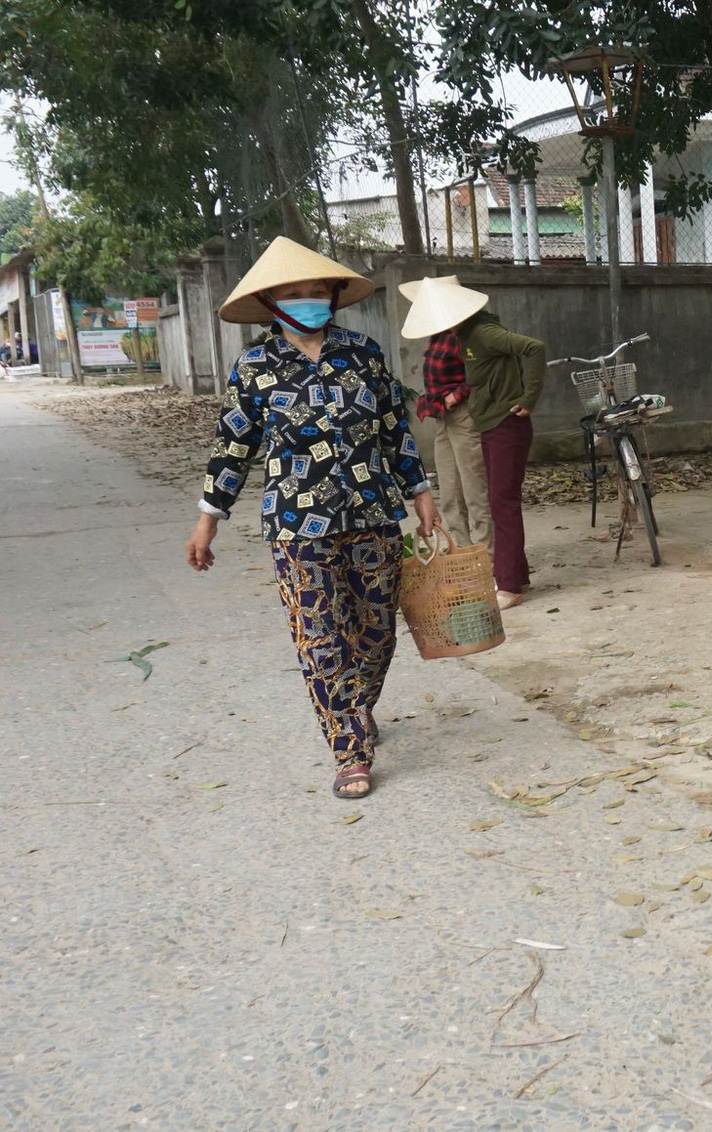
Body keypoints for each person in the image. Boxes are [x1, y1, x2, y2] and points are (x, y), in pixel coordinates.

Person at [182, 237, 441, 800]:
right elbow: (233, 448)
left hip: (373, 514)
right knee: (320, 635)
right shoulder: (254, 368)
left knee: (376, 632)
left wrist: (420, 491)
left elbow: (395, 429)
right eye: (293, 294)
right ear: (272, 302)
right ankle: (349, 747)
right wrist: (209, 518)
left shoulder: (364, 354)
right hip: (297, 527)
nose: (307, 300)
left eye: (316, 291)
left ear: (333, 294)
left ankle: (357, 704)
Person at [401, 276, 544, 609]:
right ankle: (472, 563)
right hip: (457, 417)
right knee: (455, 496)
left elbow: (529, 351)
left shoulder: (481, 333)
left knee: (487, 499)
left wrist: (528, 397)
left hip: (485, 418)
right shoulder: (453, 333)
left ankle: (496, 573)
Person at [399, 276, 491, 551]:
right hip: (442, 417)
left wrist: (456, 395)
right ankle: (461, 550)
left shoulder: (472, 334)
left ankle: (488, 555)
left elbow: (481, 373)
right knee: (449, 492)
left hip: (463, 414)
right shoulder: (440, 331)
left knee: (475, 490)